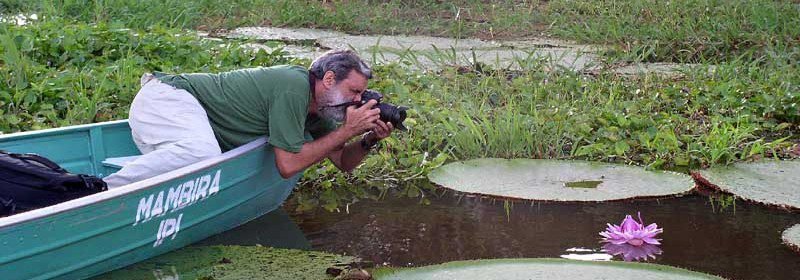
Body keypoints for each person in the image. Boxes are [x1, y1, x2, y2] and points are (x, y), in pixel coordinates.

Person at [103, 50, 393, 188]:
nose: (357, 100)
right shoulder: (293, 86)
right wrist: (347, 130)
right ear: (328, 79)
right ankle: (103, 188)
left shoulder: (322, 112)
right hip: (166, 98)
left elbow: (342, 162)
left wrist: (367, 140)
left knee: (201, 154)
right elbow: (288, 165)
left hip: (183, 121)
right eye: (354, 91)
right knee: (203, 153)